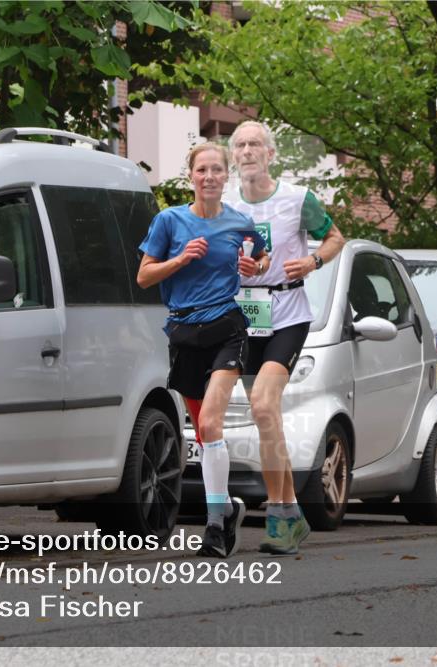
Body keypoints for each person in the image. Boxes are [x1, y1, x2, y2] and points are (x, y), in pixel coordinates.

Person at [137, 142, 266, 559]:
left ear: (226, 176)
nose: (209, 177)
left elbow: (260, 260)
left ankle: (213, 527)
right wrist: (179, 259)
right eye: (201, 170)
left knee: (210, 424)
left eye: (216, 170)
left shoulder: (241, 224)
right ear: (190, 176)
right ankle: (227, 509)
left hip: (226, 329)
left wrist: (254, 267)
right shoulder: (168, 221)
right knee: (205, 431)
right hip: (183, 333)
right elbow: (143, 277)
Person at [226, 121, 346, 555]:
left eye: (255, 143)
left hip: (287, 314)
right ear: (233, 156)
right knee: (266, 416)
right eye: (239, 144)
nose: (247, 150)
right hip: (244, 314)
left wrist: (312, 262)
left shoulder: (297, 199)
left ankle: (280, 512)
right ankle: (288, 513)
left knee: (261, 404)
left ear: (271, 154)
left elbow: (336, 237)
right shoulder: (223, 203)